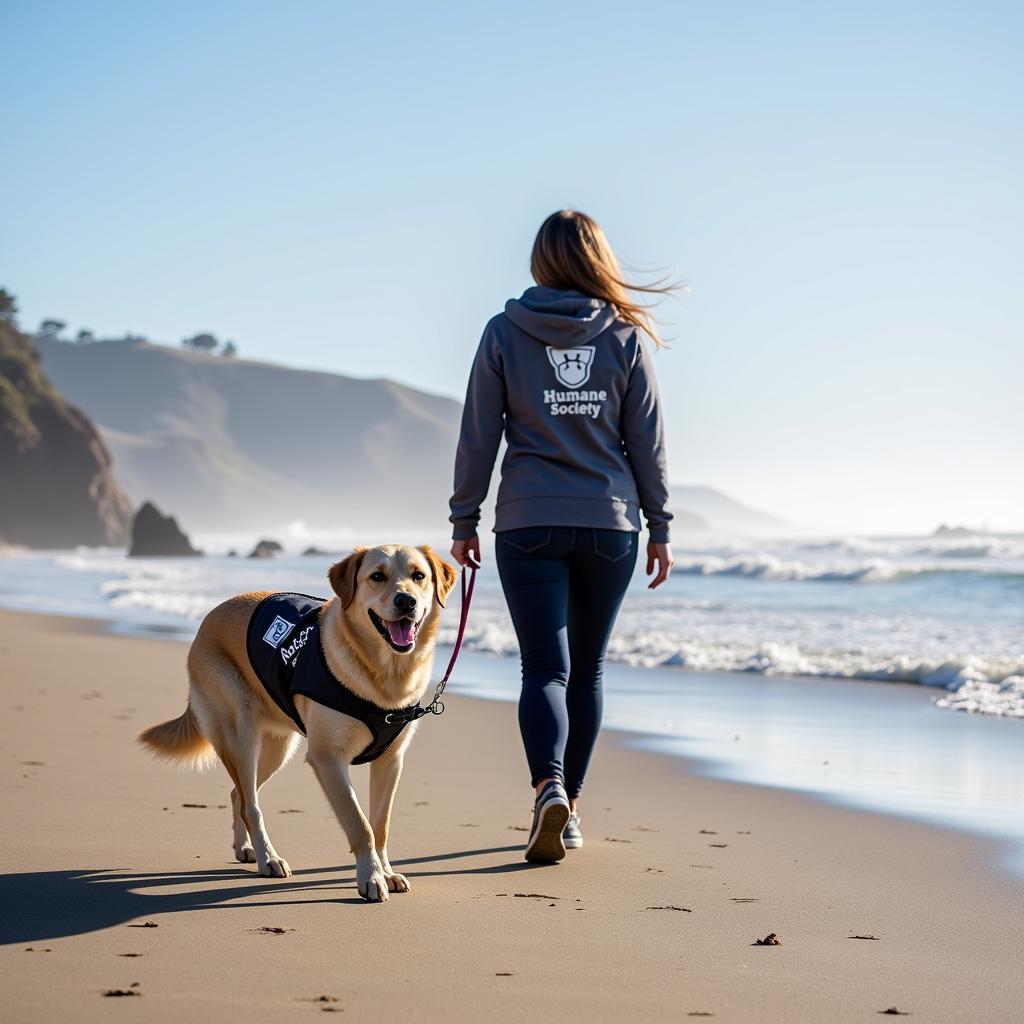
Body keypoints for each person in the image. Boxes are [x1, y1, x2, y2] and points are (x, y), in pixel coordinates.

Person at [449, 209, 676, 863]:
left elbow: (477, 436)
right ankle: (569, 808)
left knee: (544, 668)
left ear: (540, 261)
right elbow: (647, 443)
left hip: (527, 521)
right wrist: (659, 525)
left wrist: (463, 518)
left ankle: (546, 786)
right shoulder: (625, 336)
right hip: (609, 525)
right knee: (588, 670)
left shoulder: (502, 332)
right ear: (598, 258)